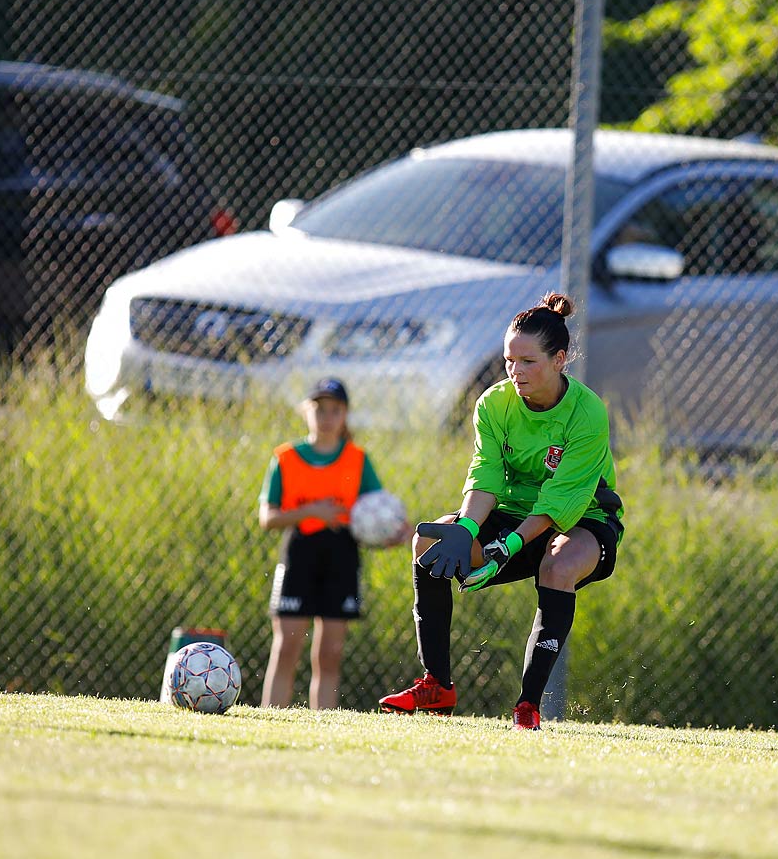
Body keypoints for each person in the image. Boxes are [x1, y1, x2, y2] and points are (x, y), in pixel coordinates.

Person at [380, 292, 623, 730]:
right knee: (427, 542)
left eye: (528, 361)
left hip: (583, 518)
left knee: (558, 564)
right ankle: (437, 686)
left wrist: (505, 547)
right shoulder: (493, 403)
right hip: (512, 516)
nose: (516, 371)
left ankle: (528, 708)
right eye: (510, 360)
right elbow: (486, 477)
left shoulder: (587, 413)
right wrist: (467, 527)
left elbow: (558, 503)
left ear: (559, 359)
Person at [257, 377, 404, 709]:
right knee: (286, 648)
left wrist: (394, 533)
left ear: (345, 415)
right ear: (307, 412)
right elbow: (267, 518)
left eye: (335, 410)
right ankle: (270, 718)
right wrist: (312, 511)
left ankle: (323, 722)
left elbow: (374, 515)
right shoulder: (286, 458)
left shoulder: (357, 459)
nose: (327, 417)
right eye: (319, 409)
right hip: (300, 553)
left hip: (341, 556)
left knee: (330, 654)